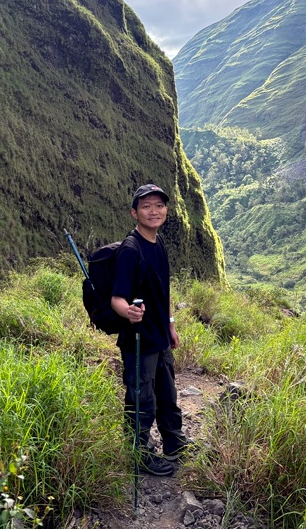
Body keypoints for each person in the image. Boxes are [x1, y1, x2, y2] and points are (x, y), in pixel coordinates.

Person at [111, 184, 189, 476]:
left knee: (167, 396)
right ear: (134, 213)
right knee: (141, 400)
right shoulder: (130, 250)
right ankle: (139, 455)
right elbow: (116, 297)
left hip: (159, 337)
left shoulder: (158, 243)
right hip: (138, 340)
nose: (153, 211)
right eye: (146, 206)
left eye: (159, 205)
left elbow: (163, 292)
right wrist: (127, 312)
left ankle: (175, 443)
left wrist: (170, 325)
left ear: (166, 210)